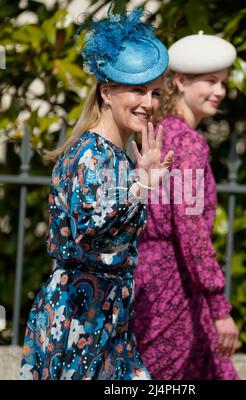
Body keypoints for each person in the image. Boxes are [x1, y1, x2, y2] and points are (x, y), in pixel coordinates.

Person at [19, 8, 174, 380]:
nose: (149, 103)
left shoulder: (118, 156)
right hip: (76, 323)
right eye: (137, 90)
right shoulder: (89, 155)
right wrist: (143, 186)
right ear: (106, 91)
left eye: (154, 92)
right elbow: (94, 230)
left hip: (109, 321)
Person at [133, 33, 240, 380]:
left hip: (147, 280)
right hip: (173, 287)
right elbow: (191, 229)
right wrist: (219, 308)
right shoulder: (189, 143)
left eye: (223, 82)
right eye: (210, 81)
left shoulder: (160, 132)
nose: (220, 91)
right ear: (180, 81)